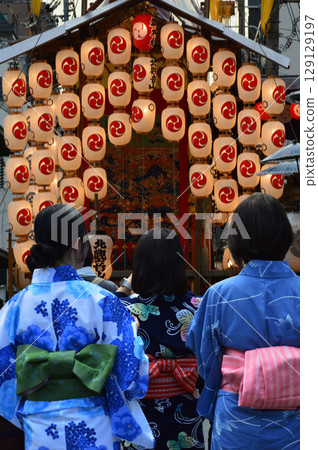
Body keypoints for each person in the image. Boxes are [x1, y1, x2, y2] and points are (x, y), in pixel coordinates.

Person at [0, 204, 155, 450]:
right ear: (77, 243)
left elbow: (3, 374)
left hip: (39, 425)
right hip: (95, 424)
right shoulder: (102, 300)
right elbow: (130, 371)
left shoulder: (14, 307)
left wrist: (25, 409)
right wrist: (133, 334)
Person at [186, 193, 300, 449]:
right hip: (297, 419)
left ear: (237, 241)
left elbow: (204, 358)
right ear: (285, 237)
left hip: (237, 417)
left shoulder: (219, 294)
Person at [115, 228, 204, 449]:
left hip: (140, 413)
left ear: (139, 267)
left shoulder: (125, 309)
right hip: (185, 409)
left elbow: (109, 303)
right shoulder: (198, 306)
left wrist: (127, 285)